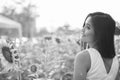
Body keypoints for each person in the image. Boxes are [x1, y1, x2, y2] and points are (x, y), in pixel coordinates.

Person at [73, 12, 120, 80]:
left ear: (100, 33)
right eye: (84, 26)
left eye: (88, 27)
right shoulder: (115, 60)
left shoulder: (83, 57)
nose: (82, 30)